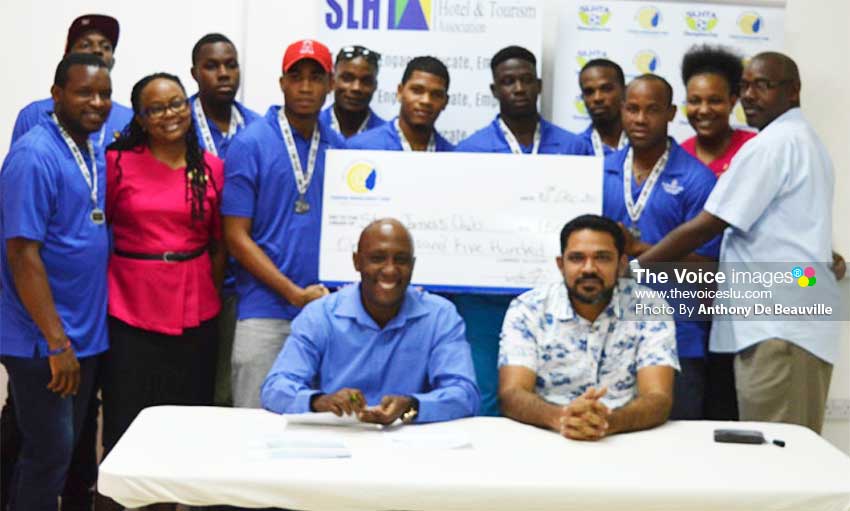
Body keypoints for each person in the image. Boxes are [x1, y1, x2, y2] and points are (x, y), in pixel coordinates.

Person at [634, 52, 843, 433]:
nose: (749, 95)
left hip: (778, 329)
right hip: (785, 322)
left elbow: (707, 225)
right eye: (744, 86)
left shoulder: (772, 145)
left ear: (793, 91)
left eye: (762, 85)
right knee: (785, 450)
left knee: (779, 454)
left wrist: (636, 268)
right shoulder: (800, 140)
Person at [101, 72, 224, 507]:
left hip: (196, 309)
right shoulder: (116, 162)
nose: (169, 114)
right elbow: (101, 229)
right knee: (126, 419)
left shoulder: (210, 167)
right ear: (140, 117)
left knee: (188, 422)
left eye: (176, 103)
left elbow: (219, 243)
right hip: (130, 306)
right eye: (156, 108)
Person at [452, 45, 593, 416]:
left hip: (552, 295)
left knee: (547, 394)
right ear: (494, 89)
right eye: (508, 82)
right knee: (484, 394)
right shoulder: (467, 153)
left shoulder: (575, 148)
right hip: (484, 298)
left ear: (539, 85)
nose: (518, 88)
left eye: (525, 80)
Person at [0, 53, 110, 511]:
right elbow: (23, 254)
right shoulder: (33, 155)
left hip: (80, 336)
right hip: (42, 340)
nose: (97, 102)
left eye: (104, 93)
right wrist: (56, 343)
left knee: (58, 456)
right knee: (48, 456)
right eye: (85, 92)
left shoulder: (86, 146)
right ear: (57, 95)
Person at [223, 39, 344, 409]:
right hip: (263, 311)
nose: (305, 87)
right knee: (253, 424)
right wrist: (292, 292)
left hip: (326, 312)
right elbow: (236, 236)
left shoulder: (340, 150)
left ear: (331, 85)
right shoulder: (250, 143)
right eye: (296, 77)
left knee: (319, 426)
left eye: (316, 77)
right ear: (282, 83)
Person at [261, 219, 480, 424]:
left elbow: (464, 395)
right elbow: (275, 389)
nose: (390, 270)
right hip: (335, 437)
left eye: (401, 260)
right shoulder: (320, 315)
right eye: (377, 258)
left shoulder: (440, 316)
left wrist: (411, 406)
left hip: (408, 442)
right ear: (357, 262)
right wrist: (319, 402)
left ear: (412, 266)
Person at [498, 215, 678, 441]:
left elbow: (658, 398)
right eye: (576, 258)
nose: (589, 269)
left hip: (626, 437)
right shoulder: (528, 309)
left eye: (602, 258)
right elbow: (512, 393)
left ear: (621, 264)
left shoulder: (649, 307)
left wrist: (607, 422)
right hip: (547, 435)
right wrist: (563, 418)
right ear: (560, 265)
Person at [602, 74, 719, 420]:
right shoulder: (598, 171)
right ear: (622, 110)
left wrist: (641, 250)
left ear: (670, 113)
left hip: (677, 333)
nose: (640, 119)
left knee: (679, 446)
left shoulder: (698, 179)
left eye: (652, 110)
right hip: (610, 332)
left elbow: (707, 269)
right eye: (633, 109)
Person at [189, 32, 261, 407]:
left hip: (245, 281)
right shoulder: (177, 124)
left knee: (233, 389)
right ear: (195, 72)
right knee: (196, 387)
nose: (223, 74)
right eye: (212, 66)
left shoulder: (259, 127)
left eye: (230, 65)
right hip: (192, 279)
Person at [10, 14, 133, 149]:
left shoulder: (129, 118)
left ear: (113, 61)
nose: (98, 50)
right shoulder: (35, 113)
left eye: (106, 47)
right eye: (86, 45)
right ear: (67, 58)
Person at [680, 45, 756, 177]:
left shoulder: (753, 148)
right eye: (695, 101)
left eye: (714, 101)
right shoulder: (678, 156)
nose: (703, 110)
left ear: (732, 102)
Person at [347, 56, 453, 151]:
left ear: (445, 102)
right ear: (400, 92)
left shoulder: (454, 156)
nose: (426, 101)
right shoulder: (361, 147)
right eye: (417, 90)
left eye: (436, 94)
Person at [319, 45, 386, 139]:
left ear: (375, 86)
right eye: (347, 78)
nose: (356, 88)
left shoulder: (386, 135)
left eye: (366, 81)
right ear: (332, 81)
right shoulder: (311, 126)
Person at [578, 59, 628, 156]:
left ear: (624, 92)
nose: (597, 98)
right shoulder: (575, 148)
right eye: (589, 92)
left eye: (606, 89)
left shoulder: (646, 146)